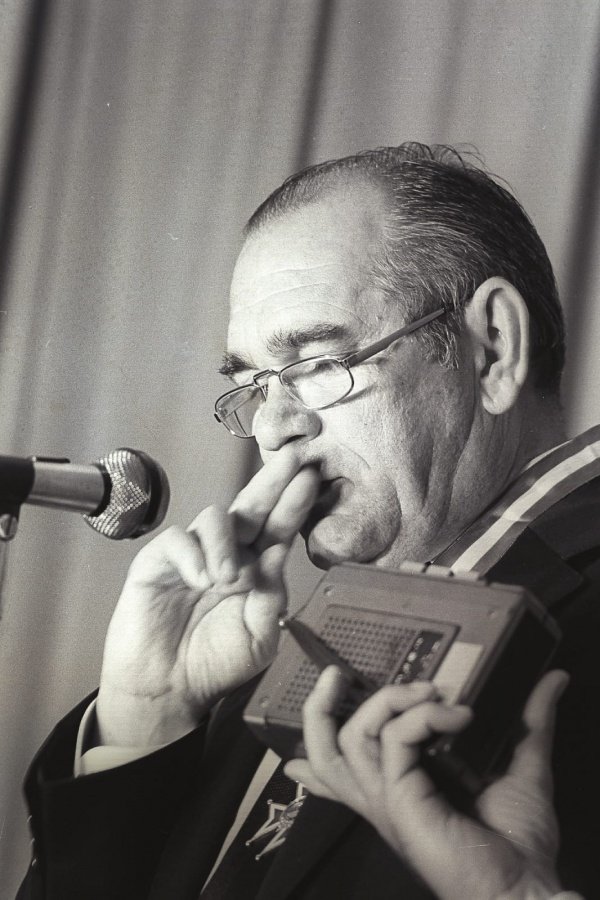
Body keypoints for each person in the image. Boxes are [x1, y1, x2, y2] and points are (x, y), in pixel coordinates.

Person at [18, 144, 600, 899]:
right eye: (256, 386)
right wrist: (145, 723)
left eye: (320, 365)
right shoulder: (268, 669)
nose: (273, 427)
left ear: (491, 348)